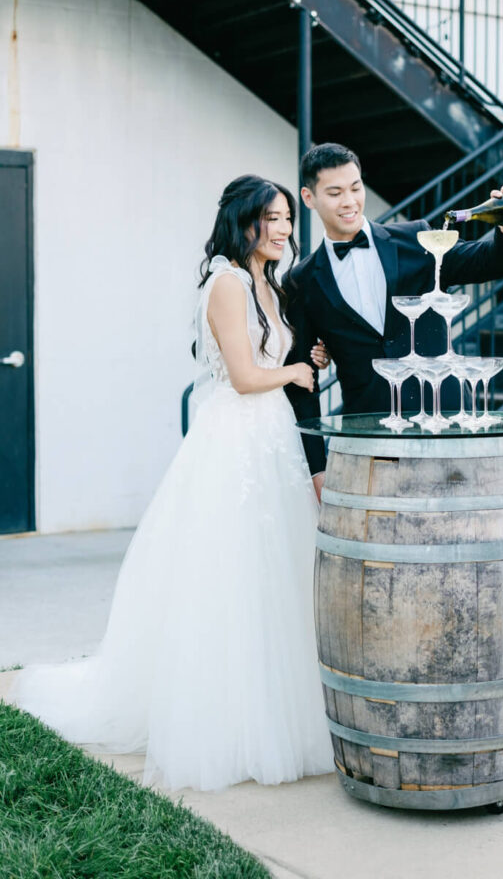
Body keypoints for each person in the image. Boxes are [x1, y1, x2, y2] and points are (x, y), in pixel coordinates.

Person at [15, 175, 334, 791]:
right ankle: (227, 721)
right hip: (235, 441)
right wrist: (292, 369)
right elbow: (243, 375)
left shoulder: (265, 283)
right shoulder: (226, 282)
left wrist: (301, 362)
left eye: (289, 220)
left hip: (270, 440)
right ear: (243, 220)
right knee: (230, 578)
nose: (283, 230)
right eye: (271, 218)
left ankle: (279, 707)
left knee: (276, 575)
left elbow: (265, 360)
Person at [283, 143, 503, 495]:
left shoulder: (415, 239)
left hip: (446, 418)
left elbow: (488, 261)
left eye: (356, 188)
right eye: (335, 192)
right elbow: (301, 383)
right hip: (367, 433)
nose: (350, 201)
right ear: (309, 197)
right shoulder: (300, 281)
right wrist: (317, 468)